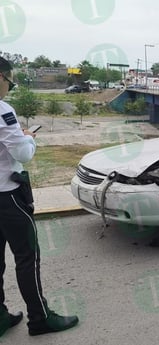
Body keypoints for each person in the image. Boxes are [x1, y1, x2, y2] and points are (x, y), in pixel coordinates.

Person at [0, 57, 78, 336]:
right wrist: (29, 138)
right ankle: (40, 318)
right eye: (9, 82)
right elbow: (22, 154)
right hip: (8, 196)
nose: (9, 88)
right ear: (1, 77)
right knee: (27, 256)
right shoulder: (3, 110)